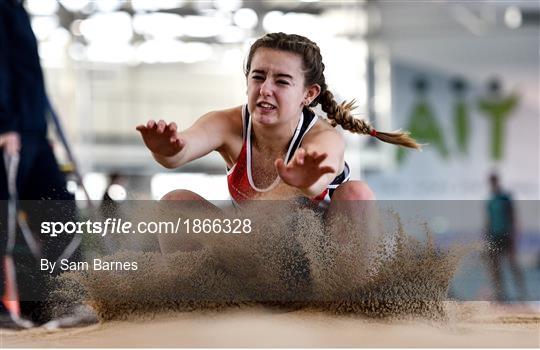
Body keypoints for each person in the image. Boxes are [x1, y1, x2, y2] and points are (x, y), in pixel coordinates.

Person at [137, 32, 419, 254]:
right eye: (258, 77)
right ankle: (198, 300)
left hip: (321, 268)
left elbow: (319, 176)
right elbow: (181, 149)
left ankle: (348, 308)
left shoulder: (324, 137)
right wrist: (167, 149)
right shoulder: (228, 124)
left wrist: (307, 181)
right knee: (176, 202)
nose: (265, 89)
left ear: (308, 94)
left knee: (357, 194)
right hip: (253, 262)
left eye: (282, 81)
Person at [0, 0, 77, 327]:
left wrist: (43, 128)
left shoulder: (17, 9)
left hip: (33, 131)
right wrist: (4, 124)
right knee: (6, 224)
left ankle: (56, 304)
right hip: (9, 132)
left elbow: (28, 74)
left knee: (58, 208)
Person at [484, 173, 526, 302]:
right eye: (491, 181)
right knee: (495, 266)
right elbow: (488, 220)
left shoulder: (505, 197)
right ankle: (500, 294)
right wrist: (486, 236)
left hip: (506, 234)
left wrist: (514, 234)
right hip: (494, 236)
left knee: (513, 263)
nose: (493, 184)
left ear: (498, 181)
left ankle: (522, 292)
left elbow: (513, 216)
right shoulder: (490, 200)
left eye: (494, 181)